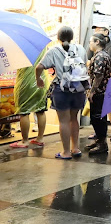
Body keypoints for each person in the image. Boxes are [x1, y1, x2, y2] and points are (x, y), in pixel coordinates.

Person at [35, 26, 88, 160]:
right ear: (72, 37)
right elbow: (85, 66)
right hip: (78, 89)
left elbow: (39, 67)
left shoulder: (54, 50)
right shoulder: (80, 49)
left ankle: (66, 152)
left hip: (62, 89)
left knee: (63, 121)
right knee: (74, 118)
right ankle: (75, 148)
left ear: (58, 38)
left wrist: (38, 79)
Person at [87, 26, 111, 142]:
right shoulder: (102, 55)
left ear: (97, 42)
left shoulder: (101, 56)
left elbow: (98, 76)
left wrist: (92, 91)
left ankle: (101, 143)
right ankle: (100, 141)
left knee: (97, 117)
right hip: (103, 90)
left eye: (91, 41)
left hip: (100, 91)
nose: (89, 44)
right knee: (99, 117)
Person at [10, 50, 49, 149]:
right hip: (41, 80)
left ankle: (25, 141)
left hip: (26, 83)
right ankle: (40, 139)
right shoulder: (42, 46)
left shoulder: (19, 48)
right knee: (41, 110)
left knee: (24, 112)